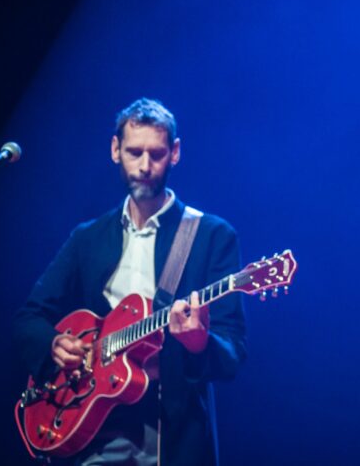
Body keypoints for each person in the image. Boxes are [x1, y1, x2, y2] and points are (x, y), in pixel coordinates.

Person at [13, 98, 246, 466]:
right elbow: (30, 318)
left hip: (168, 433)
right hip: (89, 427)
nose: (144, 166)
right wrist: (54, 344)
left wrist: (199, 344)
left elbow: (233, 352)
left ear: (175, 153)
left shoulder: (210, 236)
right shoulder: (87, 237)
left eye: (156, 154)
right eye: (134, 152)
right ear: (115, 150)